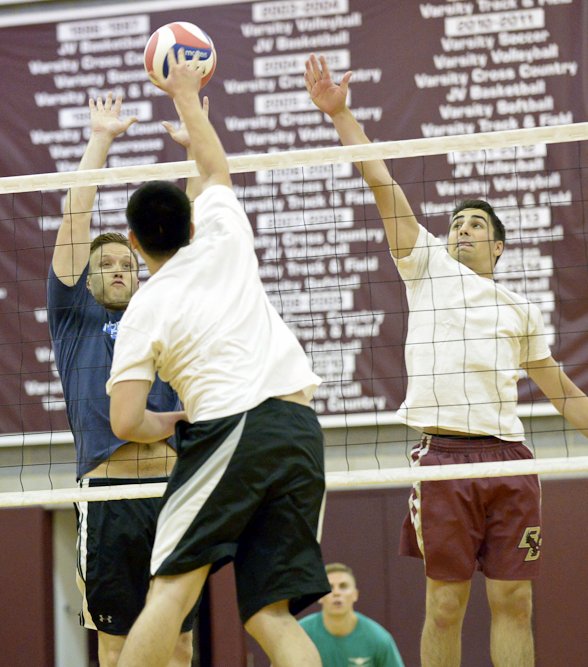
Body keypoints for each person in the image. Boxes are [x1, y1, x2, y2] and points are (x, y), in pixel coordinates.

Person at [304, 53, 588, 667]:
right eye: (454, 222)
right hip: (444, 459)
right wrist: (342, 116)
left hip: (509, 456)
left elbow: (562, 392)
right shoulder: (425, 266)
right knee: (444, 606)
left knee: (514, 602)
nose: (460, 230)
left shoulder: (520, 308)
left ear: (499, 245)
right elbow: (383, 185)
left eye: (474, 225)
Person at [106, 47, 330, 667]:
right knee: (268, 613)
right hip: (299, 429)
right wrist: (187, 104)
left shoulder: (145, 309)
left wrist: (169, 424)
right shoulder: (225, 238)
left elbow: (125, 422)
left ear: (133, 240)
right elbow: (213, 167)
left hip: (234, 426)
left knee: (171, 589)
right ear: (192, 219)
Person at [47, 92, 196, 667]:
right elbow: (75, 216)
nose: (117, 270)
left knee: (179, 644)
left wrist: (188, 157)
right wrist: (101, 139)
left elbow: (187, 235)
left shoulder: (159, 310)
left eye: (126, 264)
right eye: (104, 264)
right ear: (87, 278)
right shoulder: (74, 316)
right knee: (115, 646)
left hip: (171, 492)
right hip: (109, 495)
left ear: (141, 271)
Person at [300, 562, 405, 666]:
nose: (336, 593)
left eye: (343, 586)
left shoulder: (379, 638)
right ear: (319, 596)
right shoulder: (300, 633)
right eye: (329, 587)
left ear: (355, 595)